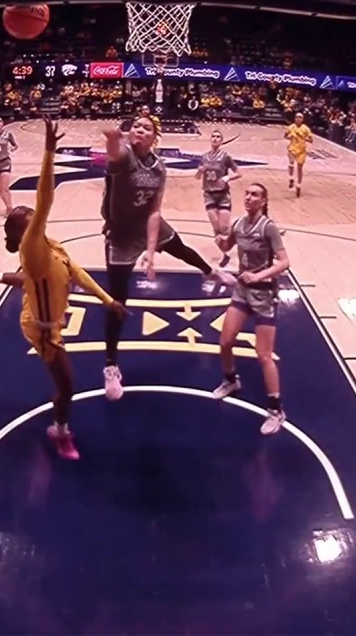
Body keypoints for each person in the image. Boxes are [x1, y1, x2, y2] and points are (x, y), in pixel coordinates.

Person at [0, 117, 128, 460]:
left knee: (36, 282)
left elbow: (75, 271)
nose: (38, 219)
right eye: (32, 220)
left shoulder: (50, 244)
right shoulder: (32, 249)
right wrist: (49, 151)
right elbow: (44, 199)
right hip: (42, 330)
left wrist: (107, 299)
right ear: (26, 232)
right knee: (67, 386)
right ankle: (60, 431)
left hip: (46, 312)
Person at [99, 115, 231, 401]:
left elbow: (155, 211)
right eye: (136, 126)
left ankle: (210, 270)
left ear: (154, 137)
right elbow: (114, 150)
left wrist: (150, 252)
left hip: (145, 224)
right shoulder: (124, 158)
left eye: (146, 127)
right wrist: (112, 136)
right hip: (120, 235)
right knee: (117, 301)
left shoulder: (159, 167)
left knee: (180, 246)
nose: (139, 130)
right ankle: (111, 365)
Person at [210, 183, 289, 435]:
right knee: (225, 341)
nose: (249, 197)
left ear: (264, 200)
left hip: (264, 294)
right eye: (246, 193)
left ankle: (276, 410)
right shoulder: (239, 224)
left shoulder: (269, 227)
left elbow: (285, 263)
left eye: (254, 194)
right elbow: (226, 246)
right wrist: (220, 239)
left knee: (264, 355)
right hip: (242, 291)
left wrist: (259, 276)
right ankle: (231, 380)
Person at [195, 129, 241, 268]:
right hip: (209, 193)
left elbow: (239, 173)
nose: (215, 139)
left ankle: (237, 233)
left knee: (224, 227)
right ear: (210, 139)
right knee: (216, 228)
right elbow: (197, 177)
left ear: (221, 141)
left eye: (218, 137)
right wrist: (199, 171)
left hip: (223, 194)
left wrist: (227, 178)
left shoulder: (226, 157)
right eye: (213, 136)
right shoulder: (204, 157)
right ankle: (225, 254)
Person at [284, 112, 313, 197]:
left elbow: (311, 140)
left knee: (300, 168)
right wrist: (289, 137)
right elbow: (285, 136)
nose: (298, 119)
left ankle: (298, 185)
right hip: (292, 148)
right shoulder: (291, 127)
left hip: (302, 150)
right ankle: (291, 178)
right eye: (297, 117)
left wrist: (305, 138)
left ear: (302, 119)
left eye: (300, 118)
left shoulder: (306, 129)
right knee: (291, 162)